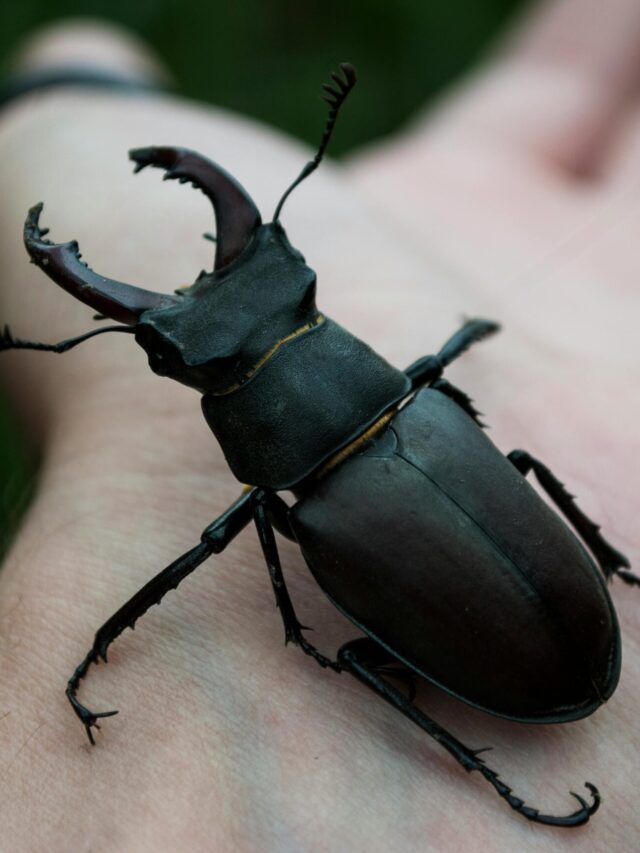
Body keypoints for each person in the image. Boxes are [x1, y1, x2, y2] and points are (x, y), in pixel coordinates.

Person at [0, 2, 637, 848]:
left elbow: (220, 543)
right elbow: (430, 392)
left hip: (517, 626)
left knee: (344, 647)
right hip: (511, 610)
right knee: (490, 448)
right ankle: (499, 741)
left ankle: (485, 754)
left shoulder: (337, 476)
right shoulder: (426, 407)